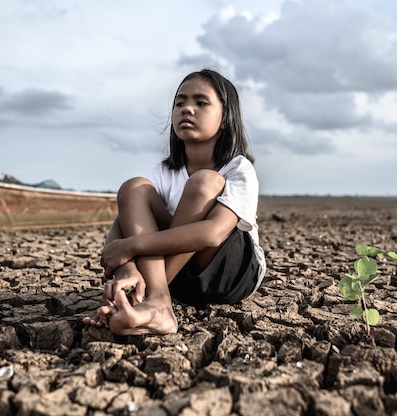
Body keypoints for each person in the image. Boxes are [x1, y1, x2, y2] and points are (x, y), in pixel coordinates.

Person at [83, 69, 266, 336]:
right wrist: (126, 270)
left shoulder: (238, 168)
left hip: (229, 274)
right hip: (175, 279)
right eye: (180, 103)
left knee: (205, 183)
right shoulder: (163, 171)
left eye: (200, 103)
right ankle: (151, 304)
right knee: (134, 188)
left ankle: (150, 300)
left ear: (225, 118)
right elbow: (124, 223)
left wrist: (131, 246)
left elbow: (213, 233)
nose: (187, 109)